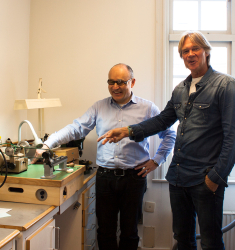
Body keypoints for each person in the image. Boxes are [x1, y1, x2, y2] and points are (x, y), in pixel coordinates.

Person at [98, 31, 235, 250]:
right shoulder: (181, 90)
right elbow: (162, 121)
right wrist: (128, 130)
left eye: (195, 49)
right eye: (185, 51)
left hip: (206, 179)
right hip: (178, 177)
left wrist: (216, 176)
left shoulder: (225, 85)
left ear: (206, 51)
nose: (190, 54)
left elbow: (233, 137)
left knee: (211, 241)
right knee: (182, 239)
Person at [31, 63, 176, 250]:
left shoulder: (148, 108)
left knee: (129, 232)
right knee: (105, 231)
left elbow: (169, 134)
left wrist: (157, 160)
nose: (115, 87)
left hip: (134, 178)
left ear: (132, 82)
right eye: (111, 82)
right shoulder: (99, 107)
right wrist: (47, 144)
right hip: (105, 178)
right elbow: (76, 128)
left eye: (120, 82)